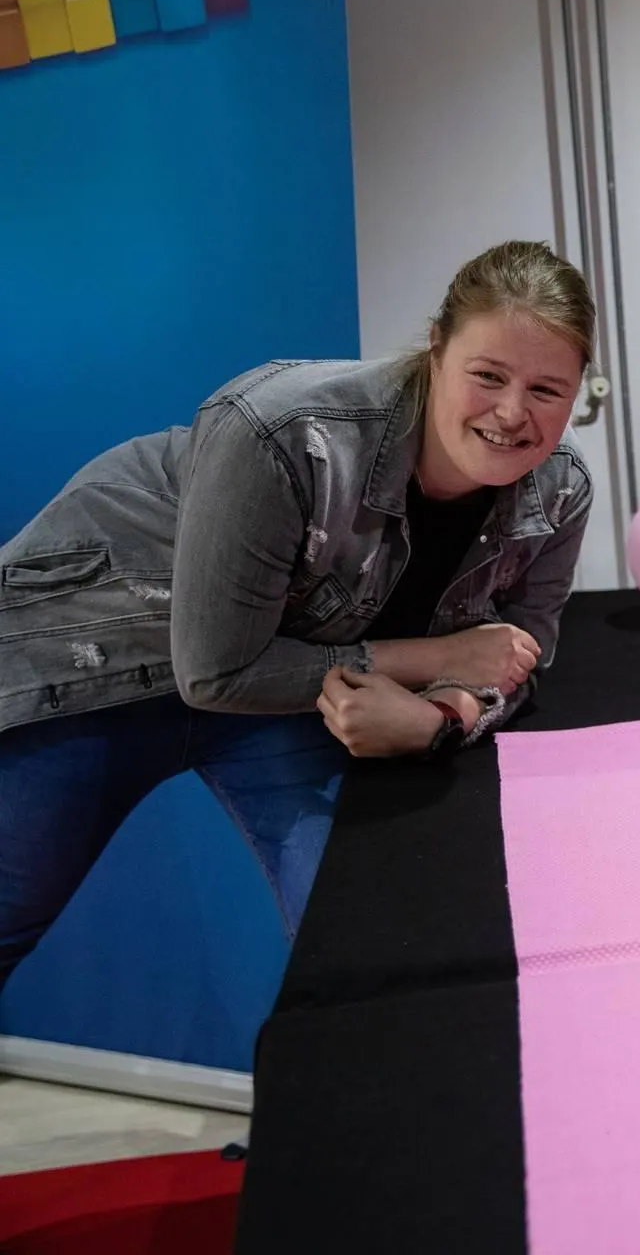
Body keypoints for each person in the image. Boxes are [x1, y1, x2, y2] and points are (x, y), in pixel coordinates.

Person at [0, 241, 596, 987]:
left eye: (548, 390)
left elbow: (521, 646)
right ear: (436, 349)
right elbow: (217, 672)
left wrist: (441, 716)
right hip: (109, 642)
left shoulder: (561, 488)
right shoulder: (282, 430)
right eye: (488, 375)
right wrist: (437, 661)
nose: (513, 414)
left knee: (359, 932)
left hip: (293, 680)